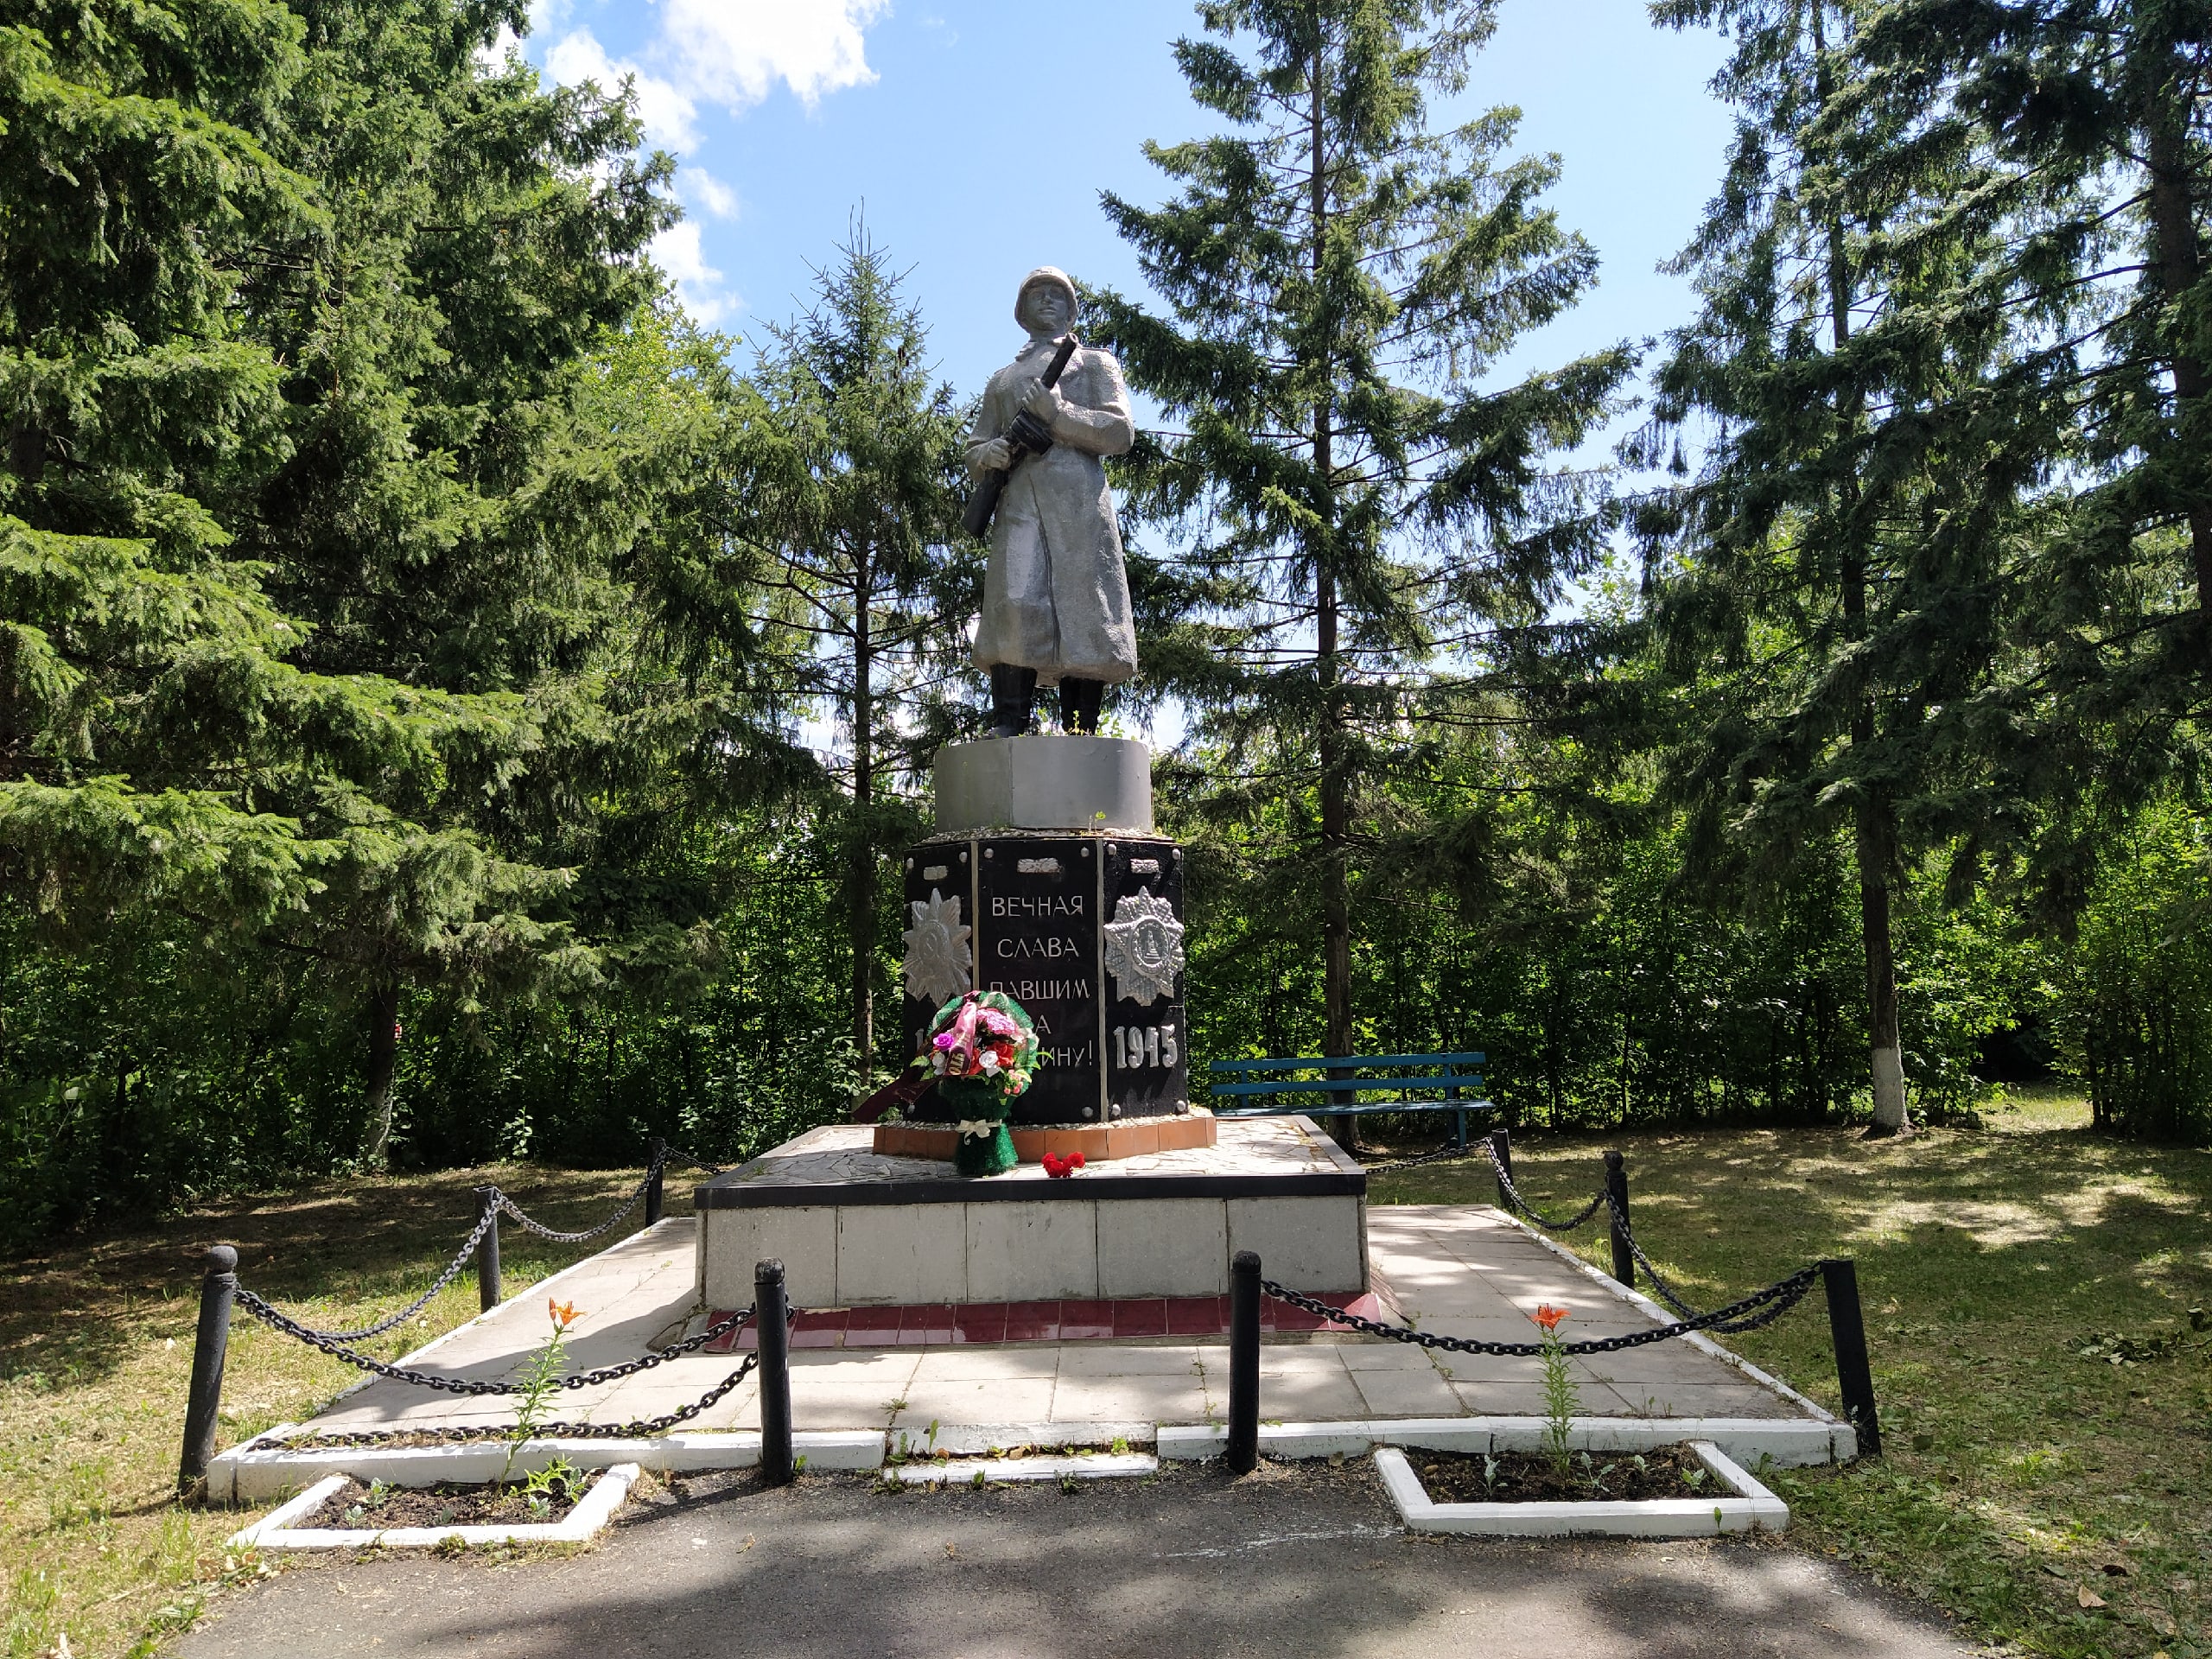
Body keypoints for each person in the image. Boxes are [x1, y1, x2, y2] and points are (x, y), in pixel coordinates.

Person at [967, 267, 1137, 736]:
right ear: (1021, 311)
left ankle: (1081, 726)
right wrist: (988, 453)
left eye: (1056, 294)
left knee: (1087, 607)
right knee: (1014, 601)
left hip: (1079, 502)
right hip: (1019, 501)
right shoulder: (1003, 380)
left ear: (1071, 308)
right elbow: (976, 446)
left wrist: (1058, 413)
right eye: (1037, 294)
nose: (1047, 300)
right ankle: (1010, 720)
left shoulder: (1096, 364)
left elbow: (1119, 432)